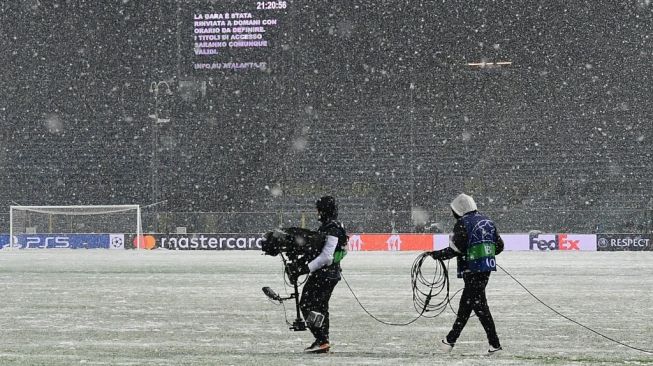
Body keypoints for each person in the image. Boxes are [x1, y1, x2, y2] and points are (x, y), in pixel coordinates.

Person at [427, 193, 504, 355]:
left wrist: (436, 255)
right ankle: (449, 341)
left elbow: (456, 249)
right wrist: (485, 252)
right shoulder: (487, 221)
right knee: (470, 305)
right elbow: (499, 246)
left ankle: (493, 344)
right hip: (486, 269)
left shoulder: (463, 223)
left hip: (472, 269)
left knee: (476, 306)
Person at [285, 195, 348, 354]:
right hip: (328, 275)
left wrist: (305, 269)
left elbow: (326, 256)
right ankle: (322, 340)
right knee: (320, 307)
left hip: (325, 275)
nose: (317, 212)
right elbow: (318, 252)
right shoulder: (331, 226)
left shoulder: (332, 228)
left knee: (307, 305)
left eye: (319, 209)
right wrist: (299, 265)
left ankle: (321, 339)